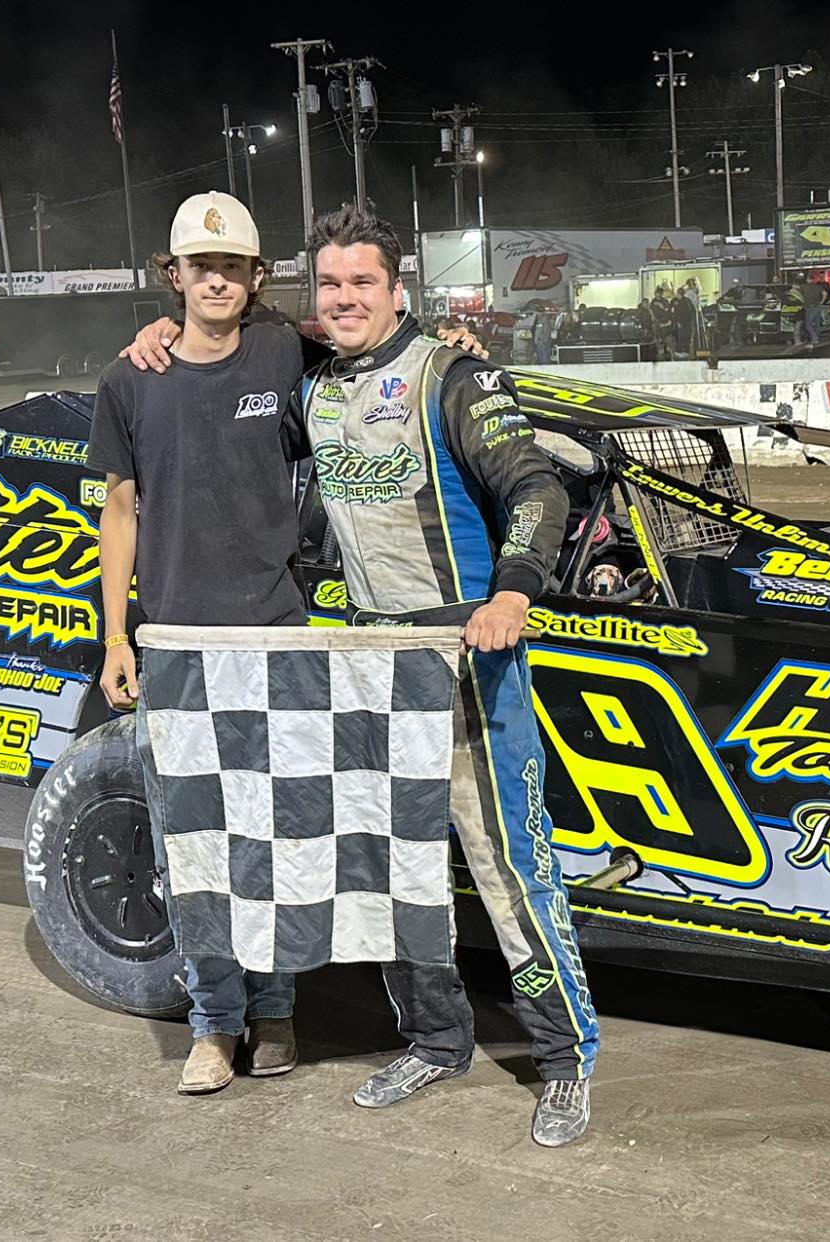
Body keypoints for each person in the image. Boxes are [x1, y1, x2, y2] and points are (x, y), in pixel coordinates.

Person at [292, 206, 598, 1147]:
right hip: (372, 671)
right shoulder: (316, 386)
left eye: (362, 283)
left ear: (397, 289)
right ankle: (434, 1038)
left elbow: (540, 489)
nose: (345, 298)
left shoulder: (452, 375)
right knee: (393, 874)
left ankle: (563, 1059)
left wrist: (511, 594)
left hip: (471, 667)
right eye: (331, 284)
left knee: (511, 873)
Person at [86, 192, 326, 1098]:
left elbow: (372, 348)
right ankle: (214, 1024)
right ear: (173, 275)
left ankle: (275, 1012)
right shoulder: (129, 380)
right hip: (176, 646)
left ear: (257, 278)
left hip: (275, 638)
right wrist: (118, 638)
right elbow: (118, 512)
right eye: (199, 265)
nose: (216, 277)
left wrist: (450, 347)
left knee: (276, 841)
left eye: (232, 265)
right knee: (194, 846)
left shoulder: (281, 351)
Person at [672, 289, 695, 358]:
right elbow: (692, 310)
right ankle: (685, 351)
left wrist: (678, 321)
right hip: (687, 321)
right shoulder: (687, 301)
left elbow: (678, 313)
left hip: (683, 322)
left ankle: (682, 351)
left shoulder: (679, 302)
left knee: (681, 336)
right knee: (686, 336)